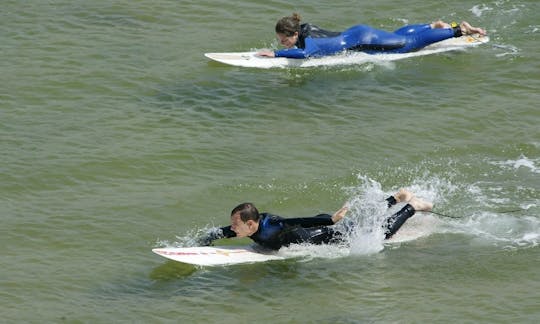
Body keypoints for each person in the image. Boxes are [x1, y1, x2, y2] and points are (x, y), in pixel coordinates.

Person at [198, 189, 433, 250]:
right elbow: (221, 232)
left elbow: (299, 220)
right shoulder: (247, 228)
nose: (232, 229)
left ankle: (412, 206)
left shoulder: (273, 226)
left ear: (250, 224)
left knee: (379, 233)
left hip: (327, 233)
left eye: (236, 225)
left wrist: (331, 221)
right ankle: (394, 198)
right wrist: (201, 243)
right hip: (323, 227)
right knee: (365, 222)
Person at [257, 13, 487, 58]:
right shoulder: (306, 29)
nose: (282, 43)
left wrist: (276, 54)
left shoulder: (309, 42)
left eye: (284, 40)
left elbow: (305, 52)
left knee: (407, 44)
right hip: (360, 34)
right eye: (279, 41)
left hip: (364, 39)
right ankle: (431, 25)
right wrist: (285, 48)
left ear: (295, 34)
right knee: (394, 35)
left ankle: (460, 30)